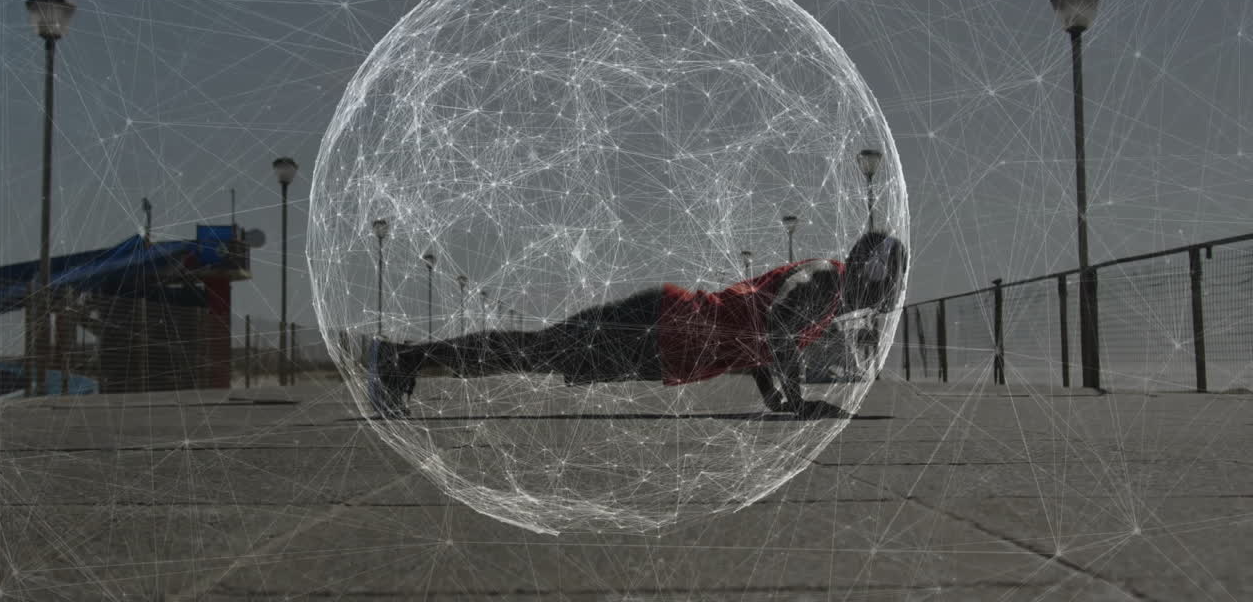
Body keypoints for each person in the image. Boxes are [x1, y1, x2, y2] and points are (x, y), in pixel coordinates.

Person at [368, 231, 906, 418]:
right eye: (887, 285)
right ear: (873, 273)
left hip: (665, 345)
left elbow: (765, 344)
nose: (880, 299)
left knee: (540, 353)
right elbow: (781, 327)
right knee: (538, 350)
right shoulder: (823, 280)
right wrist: (799, 400)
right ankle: (401, 358)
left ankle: (405, 360)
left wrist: (781, 399)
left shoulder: (828, 297)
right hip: (664, 326)